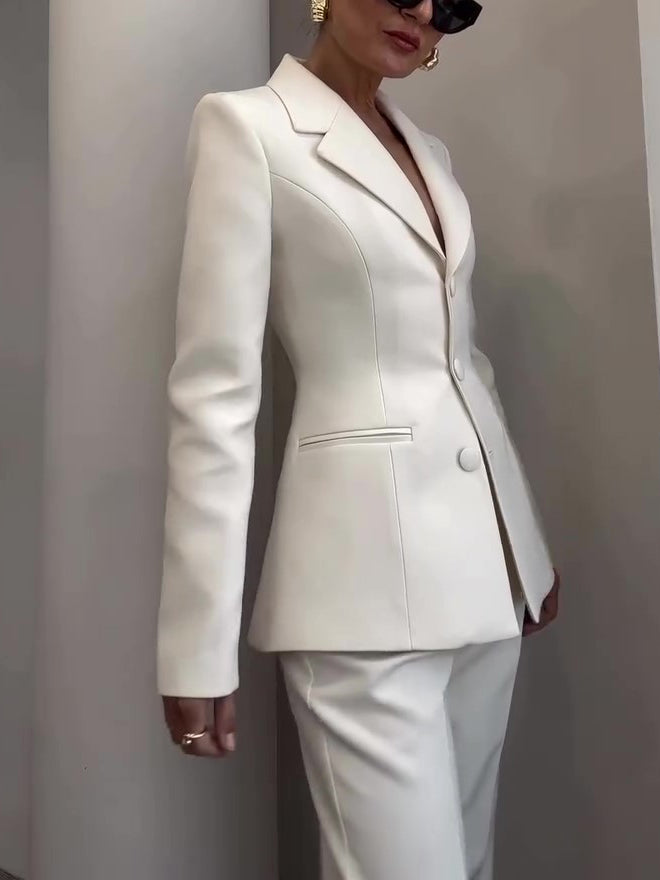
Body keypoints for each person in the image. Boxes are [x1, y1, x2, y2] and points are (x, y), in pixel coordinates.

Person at [157, 1, 561, 876]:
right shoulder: (248, 129)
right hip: (358, 589)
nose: (426, 13)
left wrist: (520, 546)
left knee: (470, 864)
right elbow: (216, 395)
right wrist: (195, 644)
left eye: (454, 4)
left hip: (483, 583)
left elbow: (463, 364)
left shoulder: (431, 154)